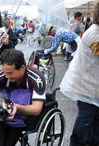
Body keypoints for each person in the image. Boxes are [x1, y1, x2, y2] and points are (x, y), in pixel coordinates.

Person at [0, 49, 46, 146]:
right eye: (4, 72)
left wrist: (16, 107)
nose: (6, 76)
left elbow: (36, 109)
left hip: (23, 114)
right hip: (3, 113)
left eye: (10, 73)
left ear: (22, 68)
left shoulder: (37, 79)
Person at [60, 2, 99, 146]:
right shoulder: (95, 33)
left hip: (94, 84)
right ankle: (77, 143)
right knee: (86, 118)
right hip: (86, 85)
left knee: (95, 118)